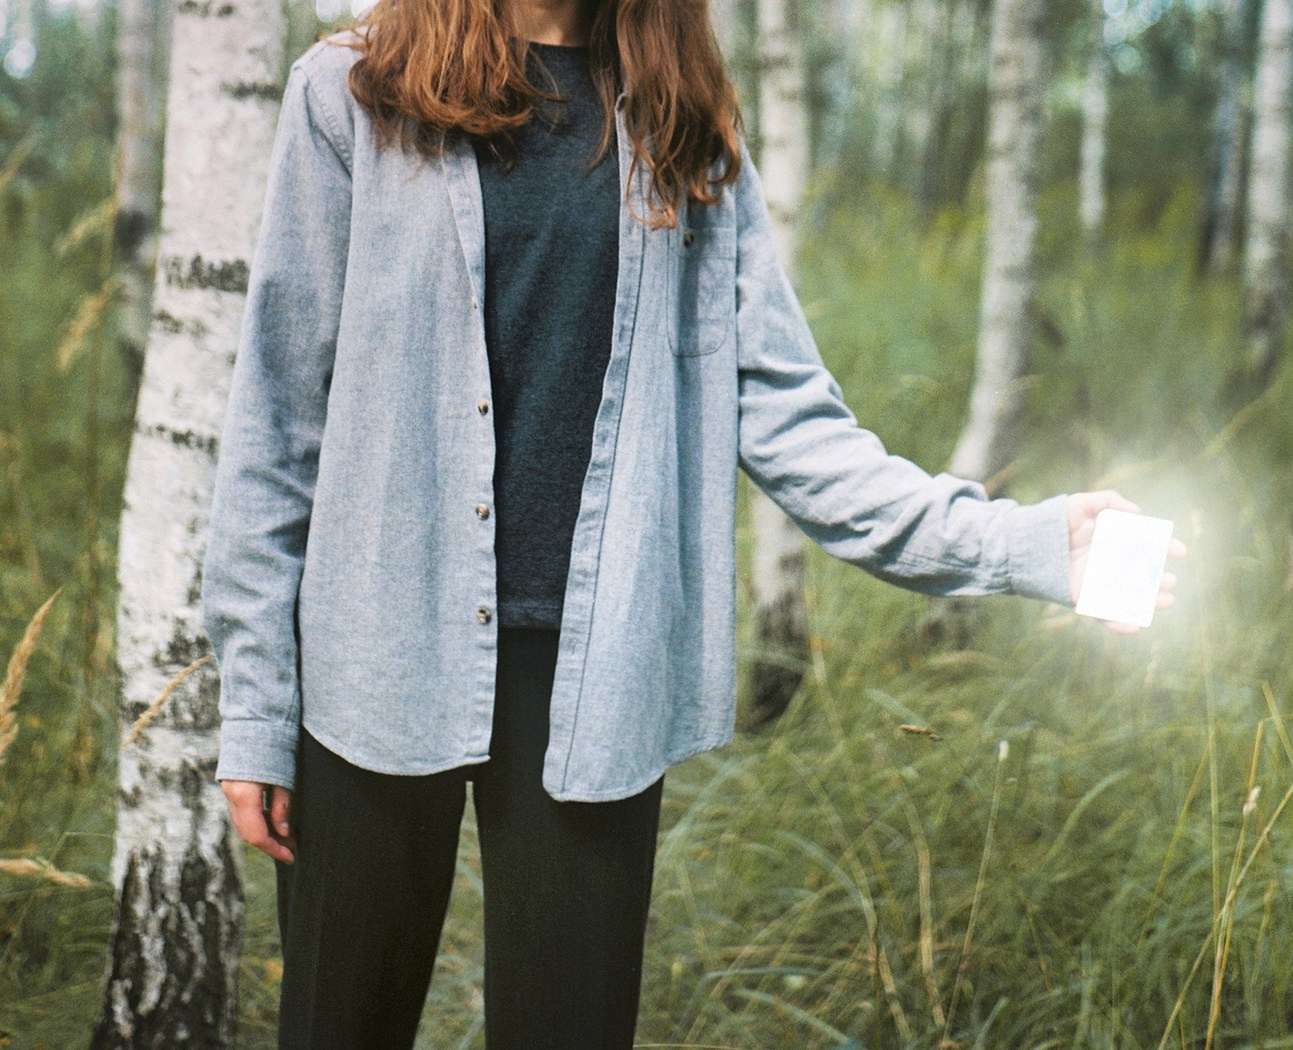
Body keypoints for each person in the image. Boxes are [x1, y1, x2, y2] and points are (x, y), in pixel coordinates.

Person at [202, 0, 1182, 1046]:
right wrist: (257, 708)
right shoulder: (355, 89)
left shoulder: (680, 121)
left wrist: (1028, 544)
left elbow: (798, 427)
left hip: (596, 681)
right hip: (373, 659)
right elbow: (278, 416)